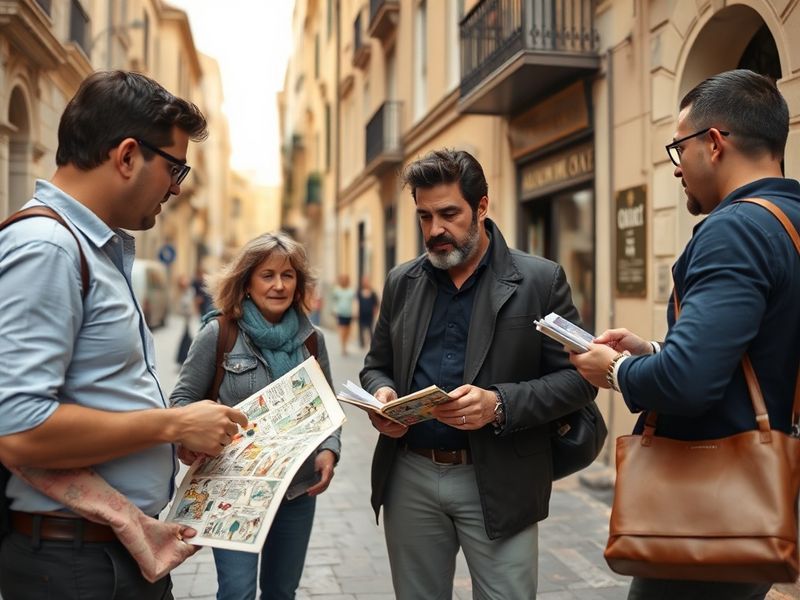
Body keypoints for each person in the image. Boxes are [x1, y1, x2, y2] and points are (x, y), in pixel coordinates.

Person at [0, 70, 247, 599]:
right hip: (76, 565)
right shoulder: (48, 248)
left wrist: (172, 433)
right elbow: (19, 430)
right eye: (174, 167)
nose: (178, 188)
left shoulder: (91, 249)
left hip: (112, 553)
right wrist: (172, 422)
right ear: (128, 155)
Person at [570, 69, 800, 600]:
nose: (676, 169)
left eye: (679, 149)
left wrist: (615, 369)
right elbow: (753, 350)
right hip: (762, 495)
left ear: (714, 143)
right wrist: (652, 349)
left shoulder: (735, 229)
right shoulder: (788, 221)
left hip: (710, 510)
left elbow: (689, 382)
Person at [360, 149, 597, 599]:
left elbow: (581, 380)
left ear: (482, 207)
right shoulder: (400, 282)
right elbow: (377, 365)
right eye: (424, 217)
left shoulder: (540, 280)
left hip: (501, 477)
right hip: (410, 476)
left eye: (449, 214)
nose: (435, 231)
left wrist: (499, 404)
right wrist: (383, 393)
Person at [170, 231, 342, 600]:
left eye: (288, 275)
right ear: (246, 281)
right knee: (237, 592)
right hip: (233, 490)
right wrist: (197, 431)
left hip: (297, 489)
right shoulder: (219, 333)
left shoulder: (312, 340)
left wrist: (330, 449)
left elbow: (327, 406)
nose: (279, 285)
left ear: (298, 284)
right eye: (268, 275)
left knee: (282, 591)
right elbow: (182, 400)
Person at [330, 273, 355, 355]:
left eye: (345, 280)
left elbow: (354, 302)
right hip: (340, 313)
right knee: (342, 329)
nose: (344, 281)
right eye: (342, 279)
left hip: (349, 313)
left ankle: (345, 344)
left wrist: (355, 311)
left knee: (347, 330)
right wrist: (333, 310)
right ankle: (343, 347)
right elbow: (333, 300)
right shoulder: (337, 290)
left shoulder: (351, 291)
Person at [357, 275, 379, 349]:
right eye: (364, 281)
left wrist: (375, 310)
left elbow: (376, 302)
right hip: (361, 313)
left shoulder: (372, 292)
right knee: (361, 328)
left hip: (369, 313)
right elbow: (356, 302)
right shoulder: (359, 292)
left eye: (367, 281)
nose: (365, 283)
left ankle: (372, 343)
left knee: (370, 328)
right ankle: (362, 343)